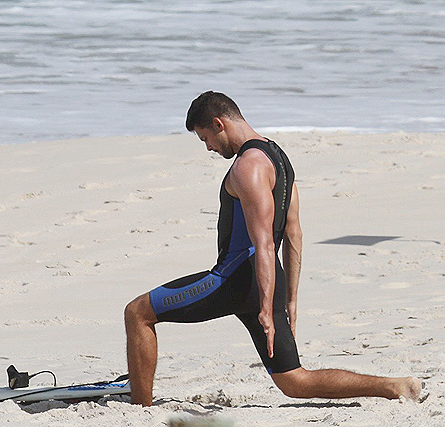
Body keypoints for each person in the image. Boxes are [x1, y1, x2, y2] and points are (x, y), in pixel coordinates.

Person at [124, 91, 421, 406]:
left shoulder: (246, 168)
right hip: (267, 282)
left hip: (234, 281)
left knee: (138, 313)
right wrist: (288, 298)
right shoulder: (278, 157)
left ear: (218, 123)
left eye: (205, 138)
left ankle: (140, 407)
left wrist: (266, 307)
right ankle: (395, 386)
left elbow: (263, 243)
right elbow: (293, 233)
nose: (209, 147)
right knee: (294, 380)